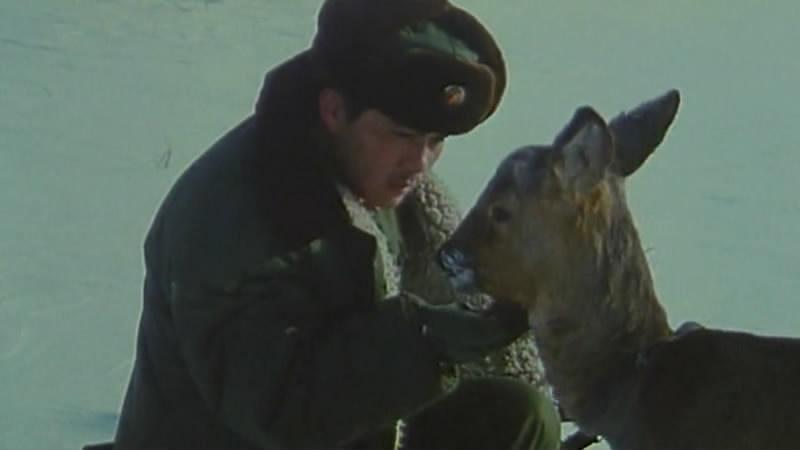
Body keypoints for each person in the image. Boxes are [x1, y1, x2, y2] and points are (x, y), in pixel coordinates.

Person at [110, 0, 561, 449]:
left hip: (345, 426)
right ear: (333, 110)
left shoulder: (388, 185)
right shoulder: (233, 218)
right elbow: (278, 408)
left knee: (518, 416)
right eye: (403, 135)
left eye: (435, 140)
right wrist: (426, 343)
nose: (420, 163)